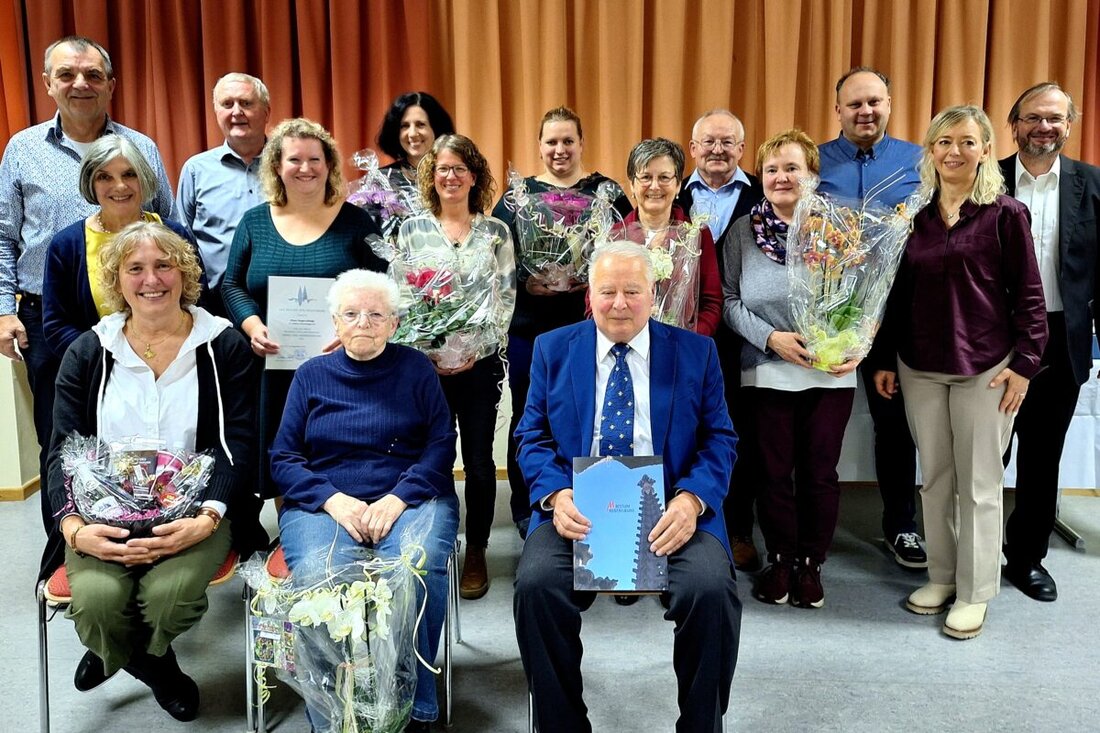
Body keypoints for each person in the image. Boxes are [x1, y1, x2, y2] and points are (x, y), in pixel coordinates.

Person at [513, 241, 740, 733]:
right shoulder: (552, 349)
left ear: (653, 293)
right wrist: (556, 494)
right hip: (578, 509)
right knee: (536, 587)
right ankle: (562, 725)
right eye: (607, 291)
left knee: (710, 589)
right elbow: (530, 434)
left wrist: (691, 499)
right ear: (589, 296)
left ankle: (701, 726)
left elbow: (720, 438)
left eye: (632, 291)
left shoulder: (696, 352)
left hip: (672, 508)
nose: (619, 303)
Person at [47, 221, 260, 720]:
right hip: (100, 512)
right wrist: (74, 529)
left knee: (169, 599)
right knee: (98, 602)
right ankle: (154, 665)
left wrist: (207, 518)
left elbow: (237, 445)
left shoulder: (221, 346)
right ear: (116, 280)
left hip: (196, 508)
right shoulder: (88, 352)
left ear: (184, 273)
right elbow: (61, 451)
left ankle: (116, 652)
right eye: (135, 268)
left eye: (164, 265)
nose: (151, 279)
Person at [0, 36, 173, 572]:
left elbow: (165, 221)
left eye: (93, 75)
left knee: (142, 435)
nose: (81, 84)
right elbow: (2, 235)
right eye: (67, 74)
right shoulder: (22, 149)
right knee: (65, 437)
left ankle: (145, 540)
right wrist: (5, 307)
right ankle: (68, 547)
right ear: (48, 83)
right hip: (50, 320)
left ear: (111, 85)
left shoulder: (140, 146)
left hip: (146, 320)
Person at [873, 105, 1047, 640]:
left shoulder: (1006, 214)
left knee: (979, 485)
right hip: (920, 366)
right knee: (935, 481)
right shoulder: (915, 217)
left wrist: (1025, 363)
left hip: (986, 369)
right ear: (930, 151)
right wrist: (883, 358)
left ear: (985, 149)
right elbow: (893, 297)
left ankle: (975, 592)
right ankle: (942, 578)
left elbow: (1030, 296)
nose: (954, 151)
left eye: (967, 142)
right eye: (944, 142)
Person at [272, 269, 459, 733]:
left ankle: (416, 704)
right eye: (352, 313)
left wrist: (397, 499)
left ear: (394, 324)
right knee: (318, 576)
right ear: (335, 322)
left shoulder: (416, 368)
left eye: (376, 314)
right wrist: (333, 500)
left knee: (416, 565)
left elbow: (441, 446)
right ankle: (332, 715)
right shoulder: (311, 375)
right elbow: (284, 458)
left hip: (410, 496)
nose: (364, 323)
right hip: (326, 503)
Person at [721, 129, 859, 608]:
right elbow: (730, 302)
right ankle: (780, 559)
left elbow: (865, 297)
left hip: (830, 370)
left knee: (819, 472)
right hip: (765, 368)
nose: (781, 177)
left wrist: (854, 343)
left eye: (792, 167)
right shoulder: (742, 231)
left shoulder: (840, 227)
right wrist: (770, 338)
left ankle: (811, 565)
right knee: (772, 471)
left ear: (812, 176)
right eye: (772, 169)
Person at [221, 117, 386, 497]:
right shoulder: (254, 222)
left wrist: (352, 333)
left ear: (329, 165)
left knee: (334, 450)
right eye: (294, 160)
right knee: (281, 449)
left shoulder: (356, 221)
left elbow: (382, 288)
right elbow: (232, 284)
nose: (306, 168)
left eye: (315, 159)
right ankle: (289, 536)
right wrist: (251, 325)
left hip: (340, 366)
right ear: (277, 166)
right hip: (273, 366)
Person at [491, 106, 623, 540]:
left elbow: (623, 250)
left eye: (568, 140)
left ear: (582, 143)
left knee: (590, 415)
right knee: (530, 417)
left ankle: (591, 505)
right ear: (539, 146)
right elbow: (495, 261)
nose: (560, 149)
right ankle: (532, 506)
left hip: (592, 329)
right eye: (551, 141)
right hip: (532, 329)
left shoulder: (606, 193)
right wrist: (529, 282)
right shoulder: (518, 196)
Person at [393, 134, 515, 600]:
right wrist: (430, 350)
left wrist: (470, 350)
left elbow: (505, 301)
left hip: (479, 367)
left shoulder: (496, 232)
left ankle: (478, 550)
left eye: (460, 168)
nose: (451, 176)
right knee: (434, 459)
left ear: (474, 176)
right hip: (425, 370)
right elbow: (401, 299)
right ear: (432, 175)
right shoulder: (411, 232)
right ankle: (438, 544)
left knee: (481, 463)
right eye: (442, 168)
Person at [817, 66, 927, 569]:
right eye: (854, 104)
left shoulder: (919, 161)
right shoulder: (814, 162)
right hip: (824, 317)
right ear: (837, 109)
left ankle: (901, 525)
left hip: (897, 318)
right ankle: (798, 529)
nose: (865, 112)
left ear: (889, 104)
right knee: (812, 428)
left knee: (895, 427)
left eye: (874, 102)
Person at [1000, 83, 1100, 602]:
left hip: (1061, 339)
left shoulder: (1091, 184)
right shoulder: (983, 178)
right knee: (981, 456)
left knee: (1042, 456)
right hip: (990, 339)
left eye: (1056, 119)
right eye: (1034, 118)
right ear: (1013, 123)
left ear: (1069, 124)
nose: (1045, 127)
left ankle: (1026, 557)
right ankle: (966, 553)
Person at [679, 109, 765, 570]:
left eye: (728, 142)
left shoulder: (762, 193)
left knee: (734, 434)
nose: (717, 150)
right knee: (676, 431)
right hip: (674, 340)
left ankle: (737, 529)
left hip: (740, 339)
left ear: (741, 149)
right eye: (708, 142)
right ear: (692, 149)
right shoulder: (669, 190)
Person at [44, 135, 196, 358]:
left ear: (143, 178)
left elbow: (197, 303)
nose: (120, 186)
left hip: (175, 362)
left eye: (129, 174)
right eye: (104, 177)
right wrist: (106, 361)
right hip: (98, 370)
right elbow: (57, 325)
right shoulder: (65, 246)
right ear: (90, 183)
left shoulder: (176, 235)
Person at [175, 73, 271, 318]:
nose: (236, 112)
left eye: (246, 103)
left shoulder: (289, 166)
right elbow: (182, 241)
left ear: (266, 111)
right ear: (216, 111)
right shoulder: (196, 170)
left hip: (280, 304)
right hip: (214, 309)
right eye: (227, 104)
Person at [612, 137, 722, 336]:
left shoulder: (696, 234)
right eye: (645, 177)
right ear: (632, 184)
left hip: (682, 349)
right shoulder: (615, 236)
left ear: (678, 184)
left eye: (664, 177)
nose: (654, 186)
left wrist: (687, 341)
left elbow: (711, 303)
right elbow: (594, 301)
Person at [371, 91, 456, 228]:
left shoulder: (454, 177)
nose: (412, 133)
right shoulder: (380, 180)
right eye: (404, 126)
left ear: (436, 128)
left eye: (420, 124)